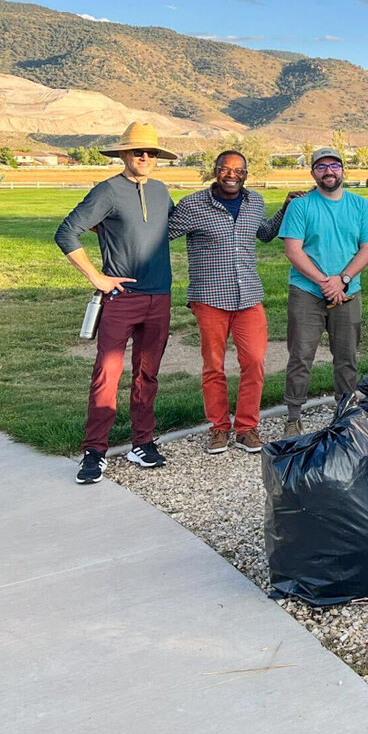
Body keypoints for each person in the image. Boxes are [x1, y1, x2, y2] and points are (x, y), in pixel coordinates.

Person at [55, 122, 176, 483]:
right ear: (123, 154)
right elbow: (67, 231)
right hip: (121, 298)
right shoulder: (107, 191)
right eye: (137, 151)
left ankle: (143, 443)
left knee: (147, 373)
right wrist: (97, 277)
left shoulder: (160, 191)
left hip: (160, 296)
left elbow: (161, 227)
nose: (144, 157)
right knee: (107, 374)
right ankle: (95, 451)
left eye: (151, 152)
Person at [169, 150, 304, 454]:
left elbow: (266, 234)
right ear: (215, 171)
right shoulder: (193, 205)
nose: (232, 175)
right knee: (214, 366)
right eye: (225, 169)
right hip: (210, 297)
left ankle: (246, 428)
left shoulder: (254, 202)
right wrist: (117, 228)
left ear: (246, 174)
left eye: (238, 170)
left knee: (254, 362)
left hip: (249, 297)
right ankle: (218, 428)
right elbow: (160, 233)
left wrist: (284, 208)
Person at [279, 147, 368, 436]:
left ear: (343, 170)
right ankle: (293, 416)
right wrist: (326, 281)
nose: (329, 172)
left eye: (334, 166)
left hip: (347, 291)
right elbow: (293, 250)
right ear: (313, 173)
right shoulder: (301, 206)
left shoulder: (359, 205)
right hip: (306, 291)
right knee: (301, 355)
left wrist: (343, 279)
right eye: (321, 167)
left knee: (347, 356)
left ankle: (345, 413)